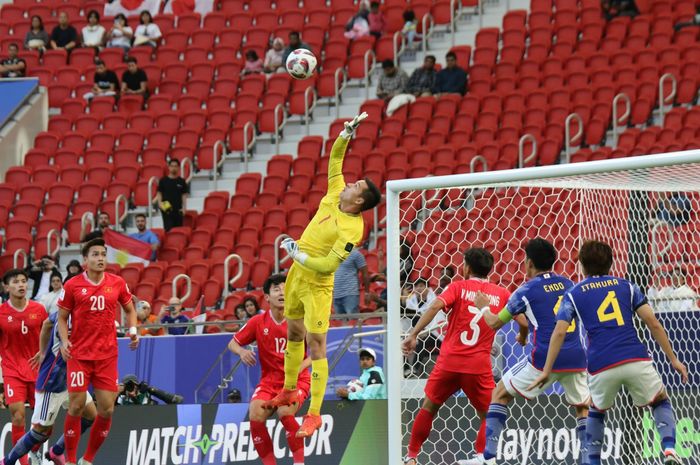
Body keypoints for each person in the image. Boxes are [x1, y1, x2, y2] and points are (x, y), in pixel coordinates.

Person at [265, 112, 381, 437]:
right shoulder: (334, 194)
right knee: (293, 334)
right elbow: (335, 163)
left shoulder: (353, 229)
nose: (349, 182)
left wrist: (299, 254)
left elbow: (329, 265)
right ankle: (289, 390)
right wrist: (345, 135)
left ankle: (314, 413)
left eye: (355, 185)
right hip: (296, 277)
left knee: (316, 344)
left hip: (318, 284)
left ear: (358, 200)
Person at [529, 240, 688, 465]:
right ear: (612, 263)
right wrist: (674, 359)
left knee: (596, 412)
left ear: (582, 266)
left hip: (601, 365)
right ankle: (670, 450)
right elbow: (652, 322)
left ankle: (592, 461)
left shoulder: (573, 294)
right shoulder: (627, 286)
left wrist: (546, 370)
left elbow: (559, 333)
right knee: (660, 401)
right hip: (635, 358)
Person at [470, 239, 589, 465]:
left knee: (500, 393)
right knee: (583, 406)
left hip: (544, 359)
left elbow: (495, 323)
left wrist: (483, 307)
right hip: (576, 356)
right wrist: (524, 336)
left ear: (529, 262)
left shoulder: (525, 291)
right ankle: (589, 460)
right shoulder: (569, 284)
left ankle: (488, 458)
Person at [401, 248, 511, 465]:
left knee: (429, 407)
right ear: (490, 270)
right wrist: (521, 336)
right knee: (488, 415)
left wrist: (413, 335)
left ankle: (411, 456)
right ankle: (482, 457)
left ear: (466, 268)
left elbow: (434, 306)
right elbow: (518, 319)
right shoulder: (502, 293)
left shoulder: (458, 287)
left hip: (449, 361)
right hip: (478, 365)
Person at [56, 238, 139, 465]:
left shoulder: (117, 283)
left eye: (103, 254)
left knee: (107, 409)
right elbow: (62, 319)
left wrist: (133, 330)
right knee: (76, 405)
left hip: (107, 356)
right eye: (95, 254)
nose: (101, 258)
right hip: (80, 356)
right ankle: (71, 460)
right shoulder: (72, 285)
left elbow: (130, 309)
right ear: (85, 260)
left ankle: (88, 460)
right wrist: (64, 342)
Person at [228, 274, 311, 465]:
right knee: (255, 414)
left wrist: (300, 367)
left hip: (297, 380)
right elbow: (232, 343)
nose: (282, 292)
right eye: (276, 289)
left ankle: (299, 463)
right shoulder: (258, 322)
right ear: (267, 297)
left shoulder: (300, 318)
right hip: (269, 381)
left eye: (285, 288)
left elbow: (317, 352)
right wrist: (241, 352)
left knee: (284, 412)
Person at [1, 311, 97, 465]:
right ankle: (7, 461)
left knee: (90, 414)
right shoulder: (67, 312)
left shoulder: (89, 312)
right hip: (52, 383)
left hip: (71, 379)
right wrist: (44, 352)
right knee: (41, 431)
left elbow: (46, 324)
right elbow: (46, 325)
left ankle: (56, 451)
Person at [0, 270, 47, 465]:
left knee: (43, 422)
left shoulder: (39, 309)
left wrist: (44, 353)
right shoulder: (1, 313)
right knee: (18, 415)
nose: (21, 285)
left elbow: (50, 336)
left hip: (37, 369)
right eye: (16, 281)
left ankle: (34, 452)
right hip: (12, 370)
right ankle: (22, 462)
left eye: (23, 281)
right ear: (6, 287)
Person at [333, 249, 370, 314]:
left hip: (350, 294)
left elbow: (365, 274)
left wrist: (367, 293)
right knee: (339, 323)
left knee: (353, 321)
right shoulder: (332, 254)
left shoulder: (355, 254)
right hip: (336, 294)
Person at [156, 159, 189, 231]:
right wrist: (159, 203)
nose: (173, 168)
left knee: (178, 230)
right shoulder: (163, 180)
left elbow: (184, 195)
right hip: (166, 208)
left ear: (178, 168)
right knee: (168, 229)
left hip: (178, 209)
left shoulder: (181, 181)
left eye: (175, 166)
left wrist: (184, 208)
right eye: (172, 166)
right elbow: (159, 193)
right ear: (169, 167)